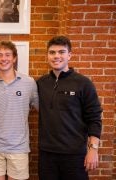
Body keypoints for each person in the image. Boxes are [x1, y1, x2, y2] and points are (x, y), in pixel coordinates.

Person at [37, 36, 102, 180]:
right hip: (47, 154)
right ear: (47, 55)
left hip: (74, 155)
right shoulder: (41, 83)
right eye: (52, 52)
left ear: (69, 55)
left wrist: (93, 150)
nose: (56, 56)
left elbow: (94, 118)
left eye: (61, 52)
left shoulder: (83, 83)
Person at [0, 41, 39, 180]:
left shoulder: (29, 83)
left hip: (19, 148)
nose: (4, 58)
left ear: (14, 58)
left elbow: (41, 109)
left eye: (8, 55)